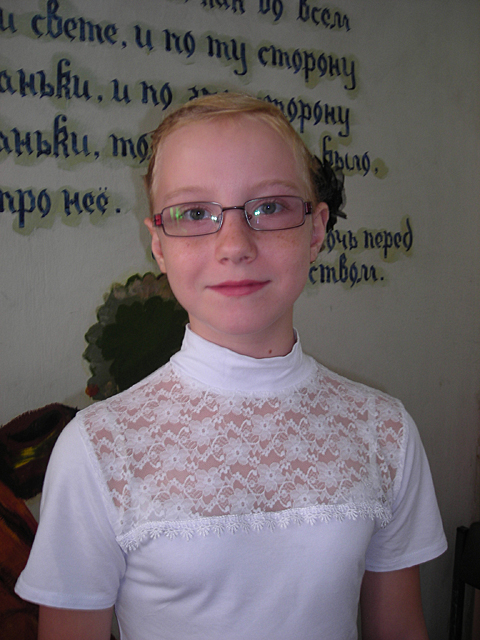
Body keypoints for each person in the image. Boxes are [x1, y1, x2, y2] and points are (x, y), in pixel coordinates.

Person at [16, 93, 447, 640]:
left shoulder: (383, 431)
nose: (234, 245)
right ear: (158, 245)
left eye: (270, 207)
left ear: (316, 231)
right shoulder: (101, 448)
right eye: (195, 213)